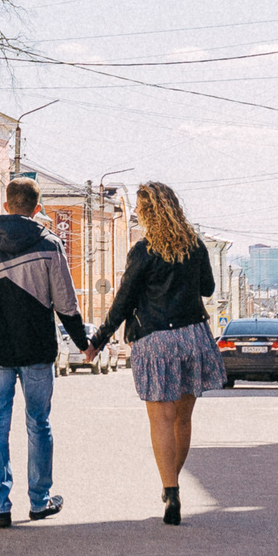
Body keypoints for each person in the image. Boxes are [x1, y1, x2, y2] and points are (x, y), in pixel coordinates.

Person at [0, 179, 91, 528]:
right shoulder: (50, 243)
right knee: (38, 423)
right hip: (35, 346)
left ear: (6, 203)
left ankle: (0, 507)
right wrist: (83, 343)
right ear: (36, 206)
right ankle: (39, 501)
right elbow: (65, 303)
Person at [88, 181, 220, 526]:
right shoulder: (194, 246)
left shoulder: (143, 250)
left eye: (138, 209)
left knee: (160, 419)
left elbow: (124, 300)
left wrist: (98, 340)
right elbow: (208, 288)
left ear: (146, 212)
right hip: (193, 336)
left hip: (156, 340)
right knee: (184, 419)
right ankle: (171, 483)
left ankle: (171, 489)